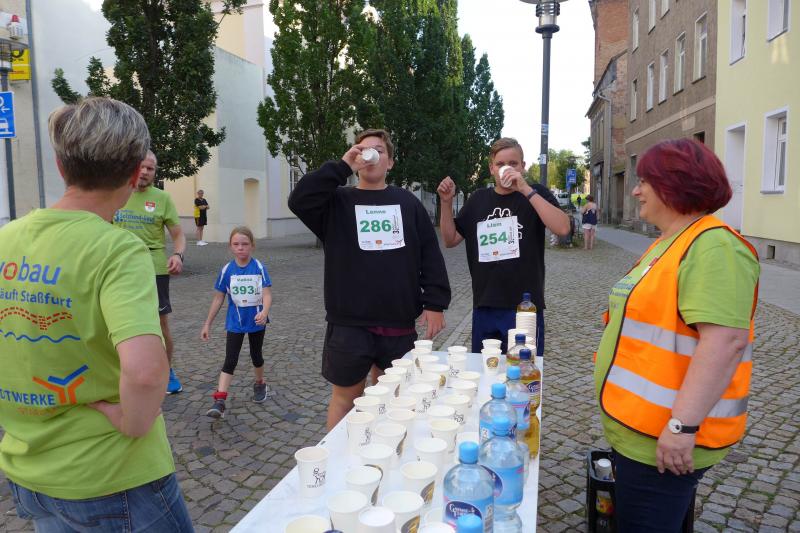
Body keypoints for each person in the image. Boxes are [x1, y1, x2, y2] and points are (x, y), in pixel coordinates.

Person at [0, 97, 193, 531]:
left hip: (28, 472)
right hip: (112, 474)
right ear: (134, 173)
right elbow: (146, 372)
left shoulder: (5, 239)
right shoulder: (116, 249)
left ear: (60, 166)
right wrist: (132, 421)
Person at [593, 139, 759, 532]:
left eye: (644, 182)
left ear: (674, 185)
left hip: (665, 441)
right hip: (640, 431)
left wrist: (682, 427)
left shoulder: (714, 246)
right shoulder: (670, 242)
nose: (636, 191)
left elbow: (724, 342)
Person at [288, 128, 451, 430]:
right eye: (363, 149)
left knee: (395, 398)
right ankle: (339, 456)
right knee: (345, 399)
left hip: (397, 320)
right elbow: (300, 199)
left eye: (379, 150)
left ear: (390, 162)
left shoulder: (407, 203)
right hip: (349, 323)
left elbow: (429, 253)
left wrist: (435, 303)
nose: (371, 154)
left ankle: (386, 450)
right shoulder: (337, 202)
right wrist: (342, 167)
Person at [437, 137, 570, 354]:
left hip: (524, 307)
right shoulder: (478, 199)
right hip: (485, 305)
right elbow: (450, 239)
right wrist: (445, 202)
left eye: (513, 163)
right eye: (500, 164)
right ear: (491, 168)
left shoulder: (535, 193)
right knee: (485, 369)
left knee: (524, 370)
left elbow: (563, 228)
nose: (506, 168)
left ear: (523, 166)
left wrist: (525, 189)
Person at [114, 150, 186, 394]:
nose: (145, 172)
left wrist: (177, 255)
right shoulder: (116, 193)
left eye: (150, 169)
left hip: (154, 268)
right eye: (141, 167)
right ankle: (121, 371)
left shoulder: (162, 198)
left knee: (160, 323)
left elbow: (178, 235)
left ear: (155, 172)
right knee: (118, 321)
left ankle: (167, 371)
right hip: (121, 268)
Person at [201, 226, 272, 418]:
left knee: (256, 356)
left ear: (252, 246)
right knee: (230, 360)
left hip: (256, 321)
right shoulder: (227, 270)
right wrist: (207, 323)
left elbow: (267, 294)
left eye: (245, 244)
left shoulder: (259, 267)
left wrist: (264, 312)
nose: (241, 248)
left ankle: (260, 383)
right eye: (236, 244)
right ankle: (220, 400)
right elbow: (218, 298)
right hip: (235, 322)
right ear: (230, 246)